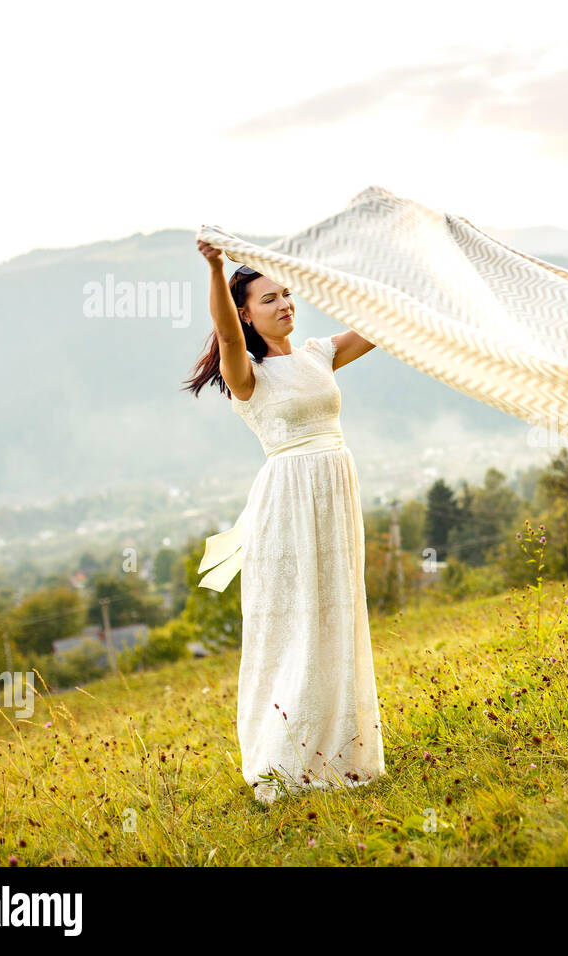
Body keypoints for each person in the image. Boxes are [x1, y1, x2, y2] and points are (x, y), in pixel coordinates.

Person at [183, 240, 386, 802]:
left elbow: (382, 325)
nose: (283, 304)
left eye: (287, 293)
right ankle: (285, 758)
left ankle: (342, 754)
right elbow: (225, 336)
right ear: (246, 311)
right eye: (268, 298)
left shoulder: (319, 353)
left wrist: (402, 274)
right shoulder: (246, 373)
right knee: (294, 624)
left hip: (336, 495)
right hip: (287, 502)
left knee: (336, 616)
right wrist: (217, 269)